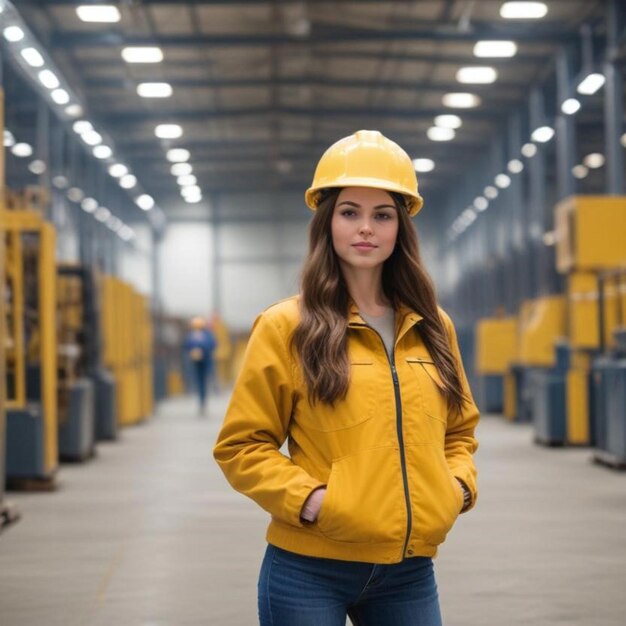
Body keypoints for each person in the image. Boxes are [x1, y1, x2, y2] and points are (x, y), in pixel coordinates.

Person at [213, 130, 479, 625]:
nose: (366, 229)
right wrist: (313, 502)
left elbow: (459, 431)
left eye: (382, 215)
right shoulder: (285, 326)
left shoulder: (432, 325)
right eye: (349, 211)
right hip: (309, 569)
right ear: (327, 222)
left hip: (410, 570)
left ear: (401, 228)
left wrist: (455, 489)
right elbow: (242, 446)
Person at [184, 316, 217, 415]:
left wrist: (201, 348)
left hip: (206, 361)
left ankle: (203, 401)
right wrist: (193, 350)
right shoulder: (192, 335)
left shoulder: (207, 335)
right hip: (196, 362)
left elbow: (212, 344)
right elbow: (187, 345)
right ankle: (201, 402)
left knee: (203, 382)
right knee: (199, 382)